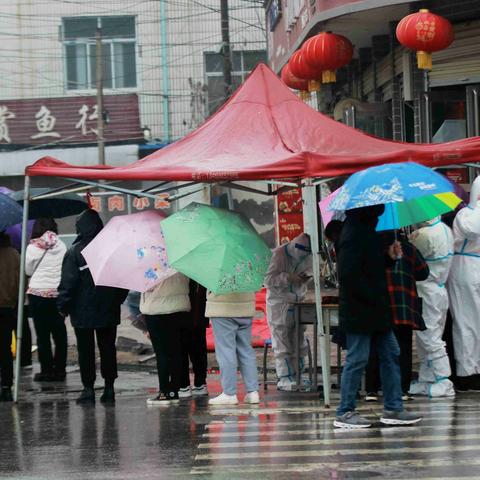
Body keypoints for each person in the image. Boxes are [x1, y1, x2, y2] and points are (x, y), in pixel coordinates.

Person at [334, 205, 422, 428]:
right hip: (361, 309)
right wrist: (370, 296)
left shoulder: (366, 231)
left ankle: (393, 407)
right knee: (357, 358)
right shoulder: (353, 233)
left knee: (391, 352)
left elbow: (370, 266)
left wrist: (388, 258)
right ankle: (345, 411)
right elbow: (348, 274)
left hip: (377, 309)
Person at [57, 210, 128, 404]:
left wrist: (63, 307)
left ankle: (88, 389)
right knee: (108, 348)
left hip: (82, 312)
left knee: (85, 350)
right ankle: (109, 388)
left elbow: (68, 284)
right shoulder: (111, 250)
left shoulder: (74, 252)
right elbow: (123, 281)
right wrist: (116, 301)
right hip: (108, 309)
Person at [365, 232, 429, 401]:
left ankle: (372, 389)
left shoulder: (374, 248)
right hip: (403, 306)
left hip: (381, 306)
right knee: (404, 347)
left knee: (375, 346)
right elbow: (423, 273)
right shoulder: (409, 249)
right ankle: (402, 389)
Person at [409, 217, 455, 397]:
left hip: (427, 290)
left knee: (429, 336)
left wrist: (412, 239)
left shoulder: (425, 234)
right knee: (426, 336)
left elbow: (414, 255)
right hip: (439, 289)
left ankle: (443, 379)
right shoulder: (445, 229)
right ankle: (428, 377)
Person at [264, 233, 312, 391]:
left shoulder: (308, 255)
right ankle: (285, 377)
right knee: (282, 342)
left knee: (299, 342)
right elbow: (268, 279)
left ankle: (298, 375)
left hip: (298, 302)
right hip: (279, 304)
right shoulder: (279, 254)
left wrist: (305, 279)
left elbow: (309, 271)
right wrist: (288, 278)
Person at [140, 272, 192, 406]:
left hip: (157, 310)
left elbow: (146, 286)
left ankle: (164, 392)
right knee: (176, 351)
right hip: (179, 307)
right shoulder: (181, 258)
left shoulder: (151, 260)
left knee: (161, 353)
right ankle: (174, 391)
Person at [448, 176, 480, 391]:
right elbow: (473, 230)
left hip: (474, 267)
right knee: (466, 322)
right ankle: (467, 372)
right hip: (464, 269)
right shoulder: (466, 215)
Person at [26, 218, 67, 382]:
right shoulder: (62, 245)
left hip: (37, 296)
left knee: (42, 335)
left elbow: (28, 271)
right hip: (57, 294)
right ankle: (60, 369)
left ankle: (46, 370)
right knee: (60, 334)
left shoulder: (32, 248)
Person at [206, 292, 259, 405]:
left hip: (222, 308)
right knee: (246, 350)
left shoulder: (218, 273)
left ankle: (229, 393)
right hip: (246, 307)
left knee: (226, 351)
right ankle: (253, 392)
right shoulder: (247, 273)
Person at [179, 281, 208, 398]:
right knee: (198, 348)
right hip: (197, 312)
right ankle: (199, 383)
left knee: (183, 348)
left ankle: (185, 385)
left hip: (186, 311)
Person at [0, 232, 20, 401]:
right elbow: (22, 280)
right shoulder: (15, 255)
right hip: (10, 306)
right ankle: (6, 385)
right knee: (5, 347)